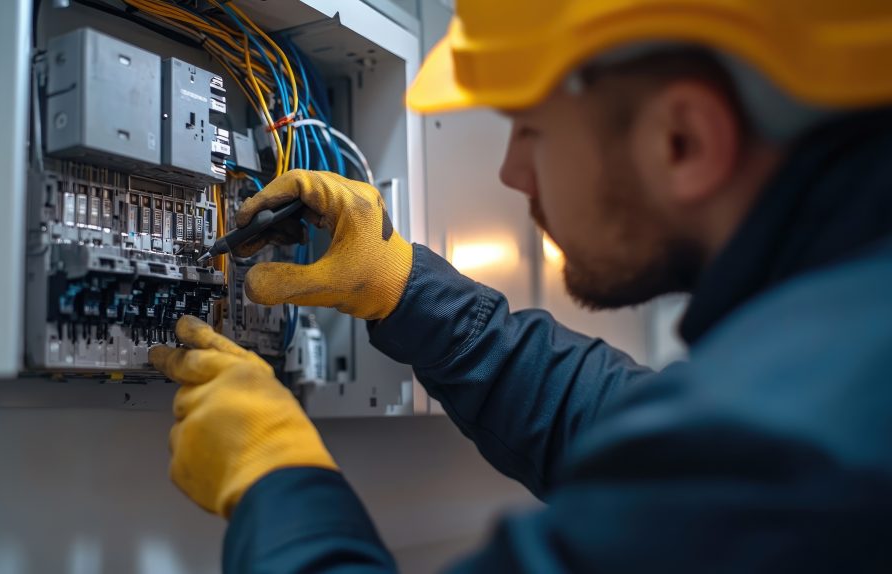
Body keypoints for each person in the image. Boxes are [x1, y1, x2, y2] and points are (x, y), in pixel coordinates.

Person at [149, 0, 892, 570]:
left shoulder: (796, 462)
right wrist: (405, 289)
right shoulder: (843, 356)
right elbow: (627, 422)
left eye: (528, 127)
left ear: (682, 141)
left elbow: (704, 461)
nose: (510, 171)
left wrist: (276, 486)